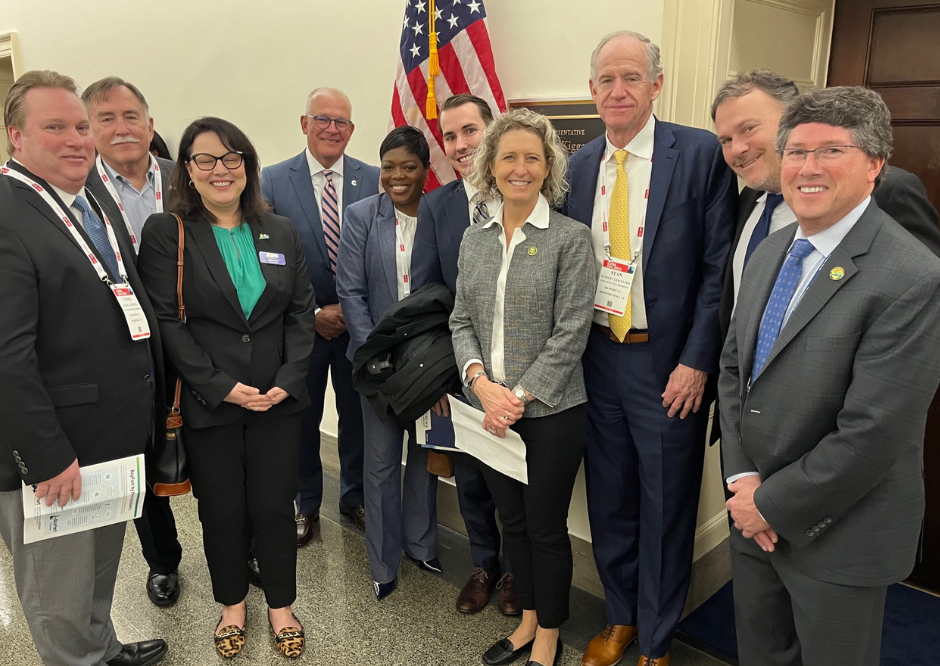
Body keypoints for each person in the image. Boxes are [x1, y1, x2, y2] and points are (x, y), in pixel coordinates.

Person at [719, 86, 940, 666]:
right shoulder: (771, 250)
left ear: (875, 166)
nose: (807, 168)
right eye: (795, 152)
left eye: (830, 151)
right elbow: (735, 368)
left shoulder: (913, 277)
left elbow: (872, 431)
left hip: (840, 530)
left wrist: (772, 504)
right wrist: (743, 481)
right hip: (752, 515)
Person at [563, 32, 737, 666]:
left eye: (631, 77)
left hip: (667, 365)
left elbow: (719, 268)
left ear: (656, 85)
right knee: (608, 498)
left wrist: (696, 360)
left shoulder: (698, 154)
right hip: (596, 358)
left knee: (666, 505)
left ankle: (657, 640)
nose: (618, 90)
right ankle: (621, 616)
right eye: (606, 79)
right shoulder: (578, 167)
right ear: (592, 91)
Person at [0, 70, 168, 666]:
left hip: (107, 435)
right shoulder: (7, 214)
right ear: (16, 137)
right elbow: (6, 357)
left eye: (79, 126)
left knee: (98, 569)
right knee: (58, 594)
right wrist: (45, 456)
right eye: (55, 128)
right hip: (55, 455)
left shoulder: (90, 195)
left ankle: (103, 650)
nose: (76, 140)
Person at [136, 117, 316, 658]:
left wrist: (287, 380)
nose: (221, 170)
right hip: (209, 401)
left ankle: (281, 603)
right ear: (187, 171)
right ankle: (232, 605)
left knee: (273, 506)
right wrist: (220, 385)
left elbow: (301, 313)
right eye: (206, 160)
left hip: (278, 402)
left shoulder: (278, 229)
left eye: (233, 158)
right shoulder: (168, 232)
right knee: (222, 510)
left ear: (248, 167)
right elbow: (167, 321)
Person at [450, 108, 595, 666]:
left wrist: (519, 397)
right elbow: (461, 320)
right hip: (489, 411)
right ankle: (529, 619)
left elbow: (572, 329)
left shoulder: (569, 239)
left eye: (532, 157)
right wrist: (481, 385)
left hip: (553, 412)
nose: (520, 167)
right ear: (490, 166)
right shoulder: (474, 239)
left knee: (546, 528)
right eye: (508, 156)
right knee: (512, 523)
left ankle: (551, 636)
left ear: (548, 167)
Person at [711, 68, 940, 344]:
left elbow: (923, 297)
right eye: (726, 140)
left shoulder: (889, 191)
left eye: (748, 129)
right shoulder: (747, 198)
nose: (737, 149)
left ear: (791, 121)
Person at [411, 93, 520, 616]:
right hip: (461, 370)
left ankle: (518, 570)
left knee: (516, 478)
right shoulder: (437, 206)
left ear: (493, 129)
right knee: (472, 474)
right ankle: (485, 564)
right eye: (449, 136)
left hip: (523, 376)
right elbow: (428, 297)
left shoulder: (528, 194)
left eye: (469, 131)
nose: (458, 145)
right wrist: (437, 380)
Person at [82, 75, 184, 608]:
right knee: (142, 455)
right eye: (105, 118)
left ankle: (243, 546)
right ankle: (163, 561)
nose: (121, 129)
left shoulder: (183, 177)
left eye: (130, 117)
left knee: (220, 447)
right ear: (89, 130)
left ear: (150, 123)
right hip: (129, 346)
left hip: (197, 337)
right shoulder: (80, 194)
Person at [261, 87, 379, 543]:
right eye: (323, 119)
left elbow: (381, 253)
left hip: (358, 327)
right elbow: (266, 258)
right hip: (300, 329)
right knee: (302, 420)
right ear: (304, 123)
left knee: (358, 418)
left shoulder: (372, 178)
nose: (333, 129)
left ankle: (354, 498)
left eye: (342, 123)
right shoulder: (272, 179)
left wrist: (354, 310)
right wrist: (311, 314)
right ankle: (305, 502)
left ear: (351, 130)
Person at [336, 126, 440, 601]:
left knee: (424, 457)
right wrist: (373, 352)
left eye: (408, 167)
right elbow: (351, 292)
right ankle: (382, 561)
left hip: (427, 362)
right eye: (388, 166)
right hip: (376, 364)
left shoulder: (441, 215)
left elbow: (447, 291)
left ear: (425, 171)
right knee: (379, 466)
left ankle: (421, 545)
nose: (396, 176)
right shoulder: (361, 215)